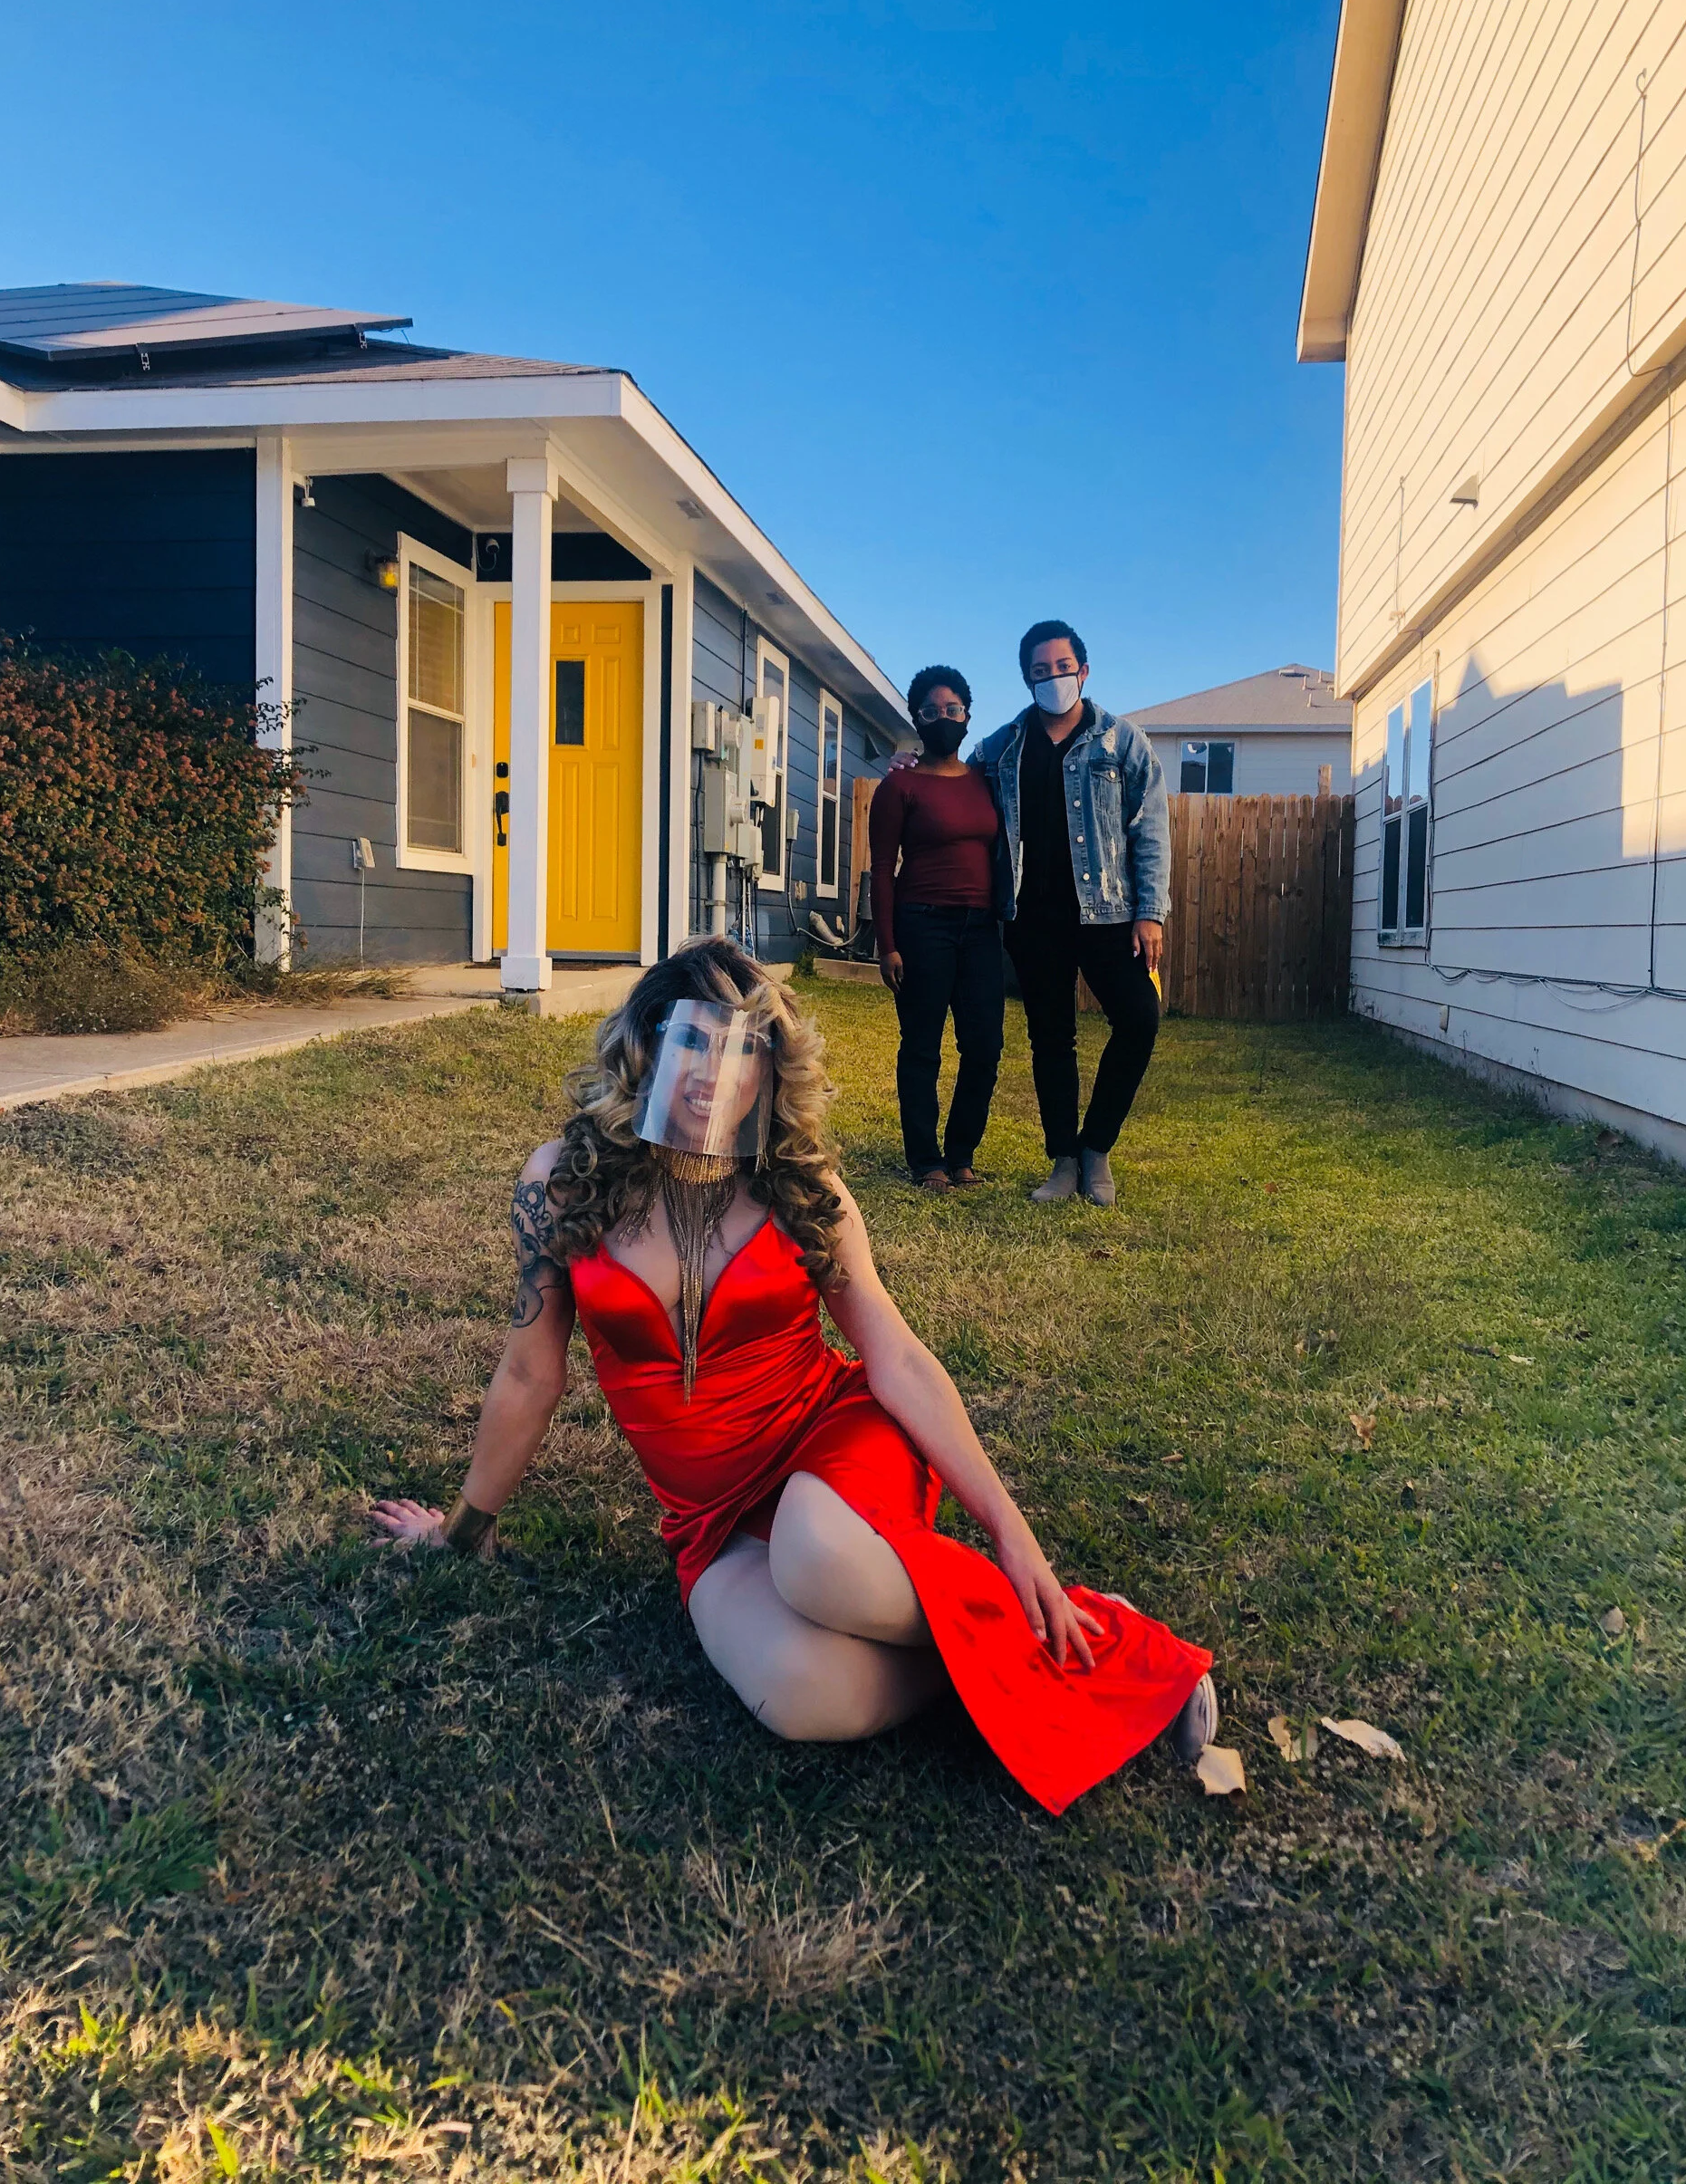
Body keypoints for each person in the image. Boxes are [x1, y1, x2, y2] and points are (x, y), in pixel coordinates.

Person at [371, 937, 1216, 1815]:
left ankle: (1097, 1633)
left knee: (817, 1559)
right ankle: (1001, 1649)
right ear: (646, 1043)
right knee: (802, 1695)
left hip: (834, 1449)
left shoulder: (800, 1188)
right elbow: (528, 1372)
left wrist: (1008, 1529)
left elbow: (894, 1353)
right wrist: (466, 1528)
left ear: (768, 1072)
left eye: (743, 1048)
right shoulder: (567, 1182)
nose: (711, 1071)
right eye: (690, 1038)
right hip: (711, 1521)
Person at [971, 621, 1169, 1208]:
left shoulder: (1121, 742)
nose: (1052, 679)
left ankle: (1096, 1149)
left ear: (1083, 670)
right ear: (1027, 679)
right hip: (1033, 921)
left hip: (1109, 915)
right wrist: (915, 767)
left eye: (1062, 667)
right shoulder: (1004, 746)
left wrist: (1150, 911)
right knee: (1050, 1039)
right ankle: (1062, 1160)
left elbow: (1151, 828)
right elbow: (958, 782)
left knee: (1140, 1018)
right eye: (1040, 671)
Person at [868, 666, 1005, 1192]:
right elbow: (881, 867)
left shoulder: (984, 780)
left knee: (984, 1046)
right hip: (921, 925)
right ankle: (926, 1160)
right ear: (916, 719)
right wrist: (887, 945)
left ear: (968, 715)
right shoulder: (898, 786)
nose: (943, 719)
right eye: (931, 712)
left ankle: (962, 1154)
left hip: (980, 930)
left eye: (952, 710)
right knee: (922, 1046)